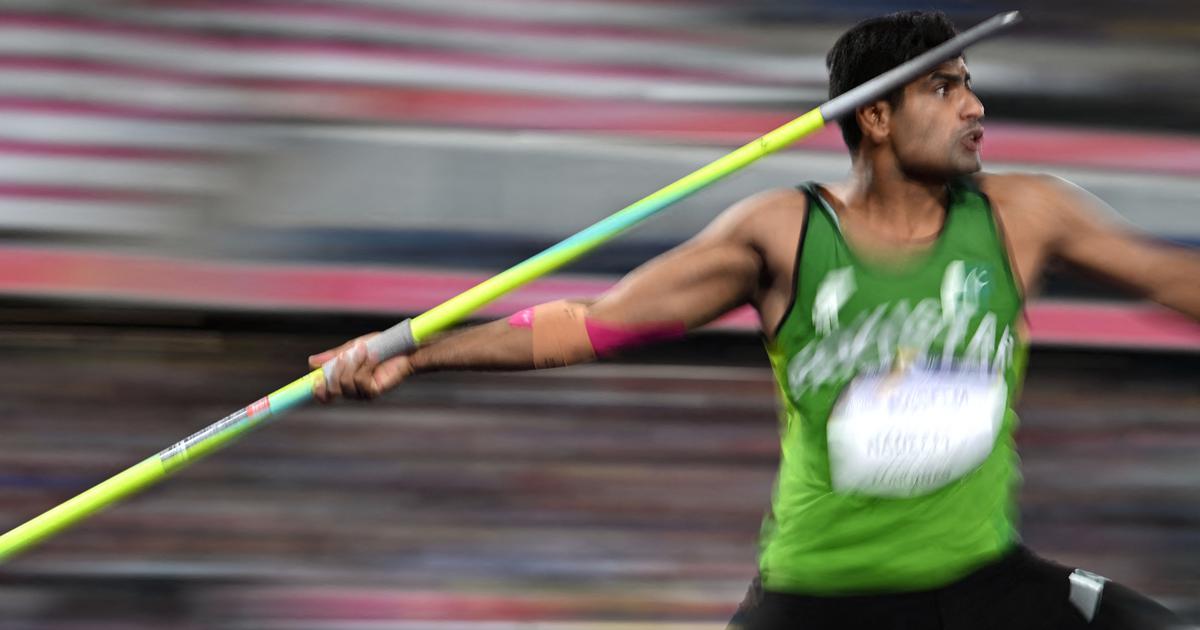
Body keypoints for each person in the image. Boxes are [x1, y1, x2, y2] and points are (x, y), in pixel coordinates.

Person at [309, 11, 1199, 630]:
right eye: (945, 88)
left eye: (971, 85)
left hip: (983, 587)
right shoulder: (783, 232)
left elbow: (1169, 278)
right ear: (877, 117)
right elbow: (593, 323)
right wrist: (414, 352)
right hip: (820, 601)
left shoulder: (1026, 214)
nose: (975, 107)